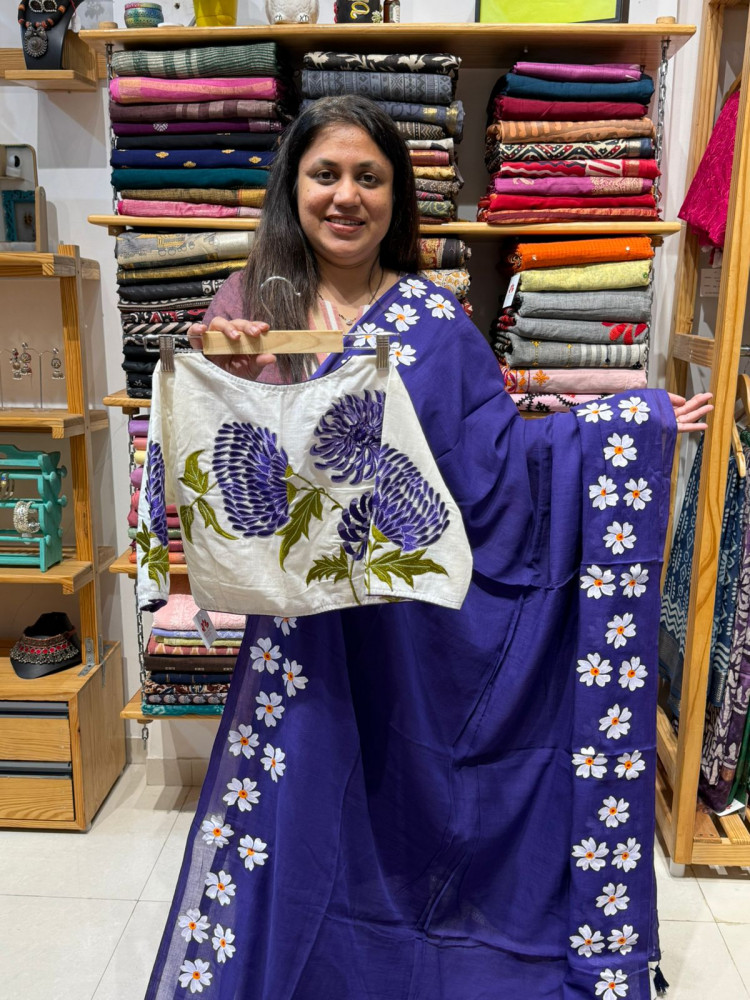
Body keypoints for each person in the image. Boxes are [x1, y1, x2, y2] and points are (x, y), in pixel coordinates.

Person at [145, 96, 711, 1000]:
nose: (346, 196)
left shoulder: (433, 319)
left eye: (369, 178)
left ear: (396, 197)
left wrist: (619, 428)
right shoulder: (251, 307)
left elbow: (498, 458)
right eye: (326, 174)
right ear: (293, 186)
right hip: (305, 638)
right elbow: (213, 479)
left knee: (406, 806)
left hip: (416, 632)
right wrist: (228, 375)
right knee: (301, 808)